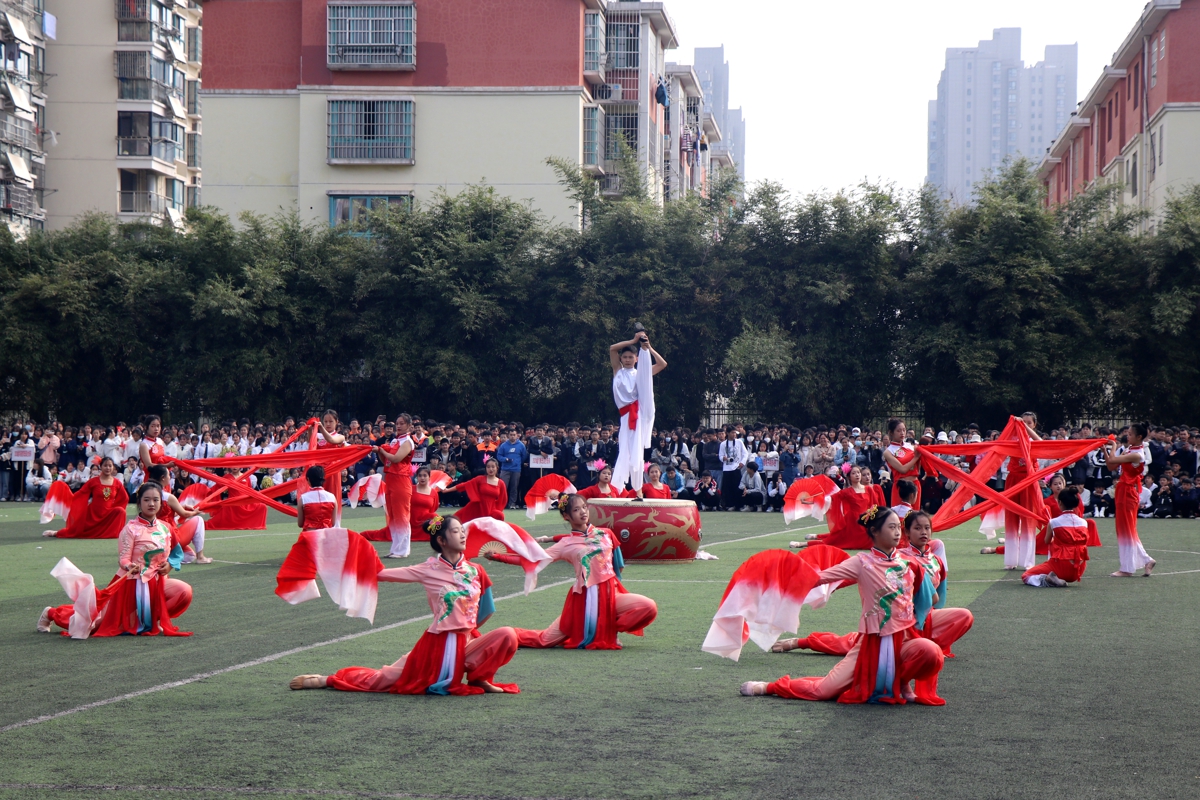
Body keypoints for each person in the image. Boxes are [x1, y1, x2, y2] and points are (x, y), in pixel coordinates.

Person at [288, 515, 520, 695]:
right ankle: (326, 679)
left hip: (466, 641)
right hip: (437, 646)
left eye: (463, 531)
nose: (462, 535)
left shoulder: (475, 570)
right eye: (456, 531)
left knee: (508, 635)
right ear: (441, 540)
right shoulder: (428, 569)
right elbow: (380, 574)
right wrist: (340, 552)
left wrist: (468, 631)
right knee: (384, 680)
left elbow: (487, 608)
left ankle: (480, 678)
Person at [739, 506, 947, 705]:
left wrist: (914, 617)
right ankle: (770, 687)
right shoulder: (862, 562)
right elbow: (820, 578)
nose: (896, 533)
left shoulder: (908, 562)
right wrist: (775, 578)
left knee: (932, 653)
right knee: (824, 691)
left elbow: (931, 599)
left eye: (897, 527)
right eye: (891, 527)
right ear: (874, 531)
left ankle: (901, 683)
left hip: (904, 640)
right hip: (872, 644)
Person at [774, 510, 973, 667]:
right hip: (895, 618)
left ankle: (929, 647)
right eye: (917, 528)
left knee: (964, 616)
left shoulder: (936, 560)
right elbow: (864, 574)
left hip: (924, 617)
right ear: (907, 533)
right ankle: (804, 642)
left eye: (927, 528)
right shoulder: (900, 558)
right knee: (850, 644)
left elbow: (940, 596)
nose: (923, 532)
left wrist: (926, 614)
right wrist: (829, 587)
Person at [488, 494, 656, 650]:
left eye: (584, 507)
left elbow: (616, 563)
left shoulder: (606, 533)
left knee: (648, 607)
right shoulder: (565, 544)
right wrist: (498, 557)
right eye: (576, 510)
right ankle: (503, 635)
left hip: (611, 594)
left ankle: (608, 630)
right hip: (584, 601)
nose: (583, 512)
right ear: (566, 516)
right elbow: (533, 560)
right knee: (545, 640)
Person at [38, 481, 193, 638]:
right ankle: (51, 613)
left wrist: (169, 566)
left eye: (155, 499)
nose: (151, 504)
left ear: (161, 502)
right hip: (130, 584)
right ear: (139, 503)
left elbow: (176, 553)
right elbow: (124, 558)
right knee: (94, 624)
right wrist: (129, 566)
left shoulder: (166, 528)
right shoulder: (131, 529)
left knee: (183, 592)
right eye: (146, 500)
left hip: (158, 583)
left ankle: (151, 622)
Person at [608, 329, 667, 493]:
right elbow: (612, 348)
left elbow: (662, 364)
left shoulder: (642, 374)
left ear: (637, 359)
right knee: (625, 450)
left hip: (639, 416)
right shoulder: (617, 371)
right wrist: (633, 341)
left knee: (637, 452)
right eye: (625, 357)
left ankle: (638, 489)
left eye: (630, 357)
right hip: (625, 417)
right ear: (621, 359)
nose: (627, 360)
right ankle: (617, 488)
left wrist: (648, 347)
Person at [1104, 425, 1156, 577]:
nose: (1128, 436)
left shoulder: (1137, 454)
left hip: (1128, 491)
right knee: (1125, 529)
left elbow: (1113, 459)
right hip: (1123, 490)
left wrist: (1113, 445)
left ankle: (1127, 568)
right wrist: (1104, 449)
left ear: (1139, 437)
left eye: (1131, 434)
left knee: (1126, 530)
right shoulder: (1129, 450)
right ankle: (1146, 559)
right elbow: (1110, 465)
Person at [797, 465, 886, 550]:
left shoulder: (869, 489)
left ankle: (815, 536)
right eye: (854, 473)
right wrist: (809, 500)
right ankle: (802, 544)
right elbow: (829, 499)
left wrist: (871, 518)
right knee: (831, 541)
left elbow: (875, 506)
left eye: (858, 472)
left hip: (866, 522)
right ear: (849, 477)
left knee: (874, 541)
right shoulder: (846, 492)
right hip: (852, 522)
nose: (857, 475)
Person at [43, 457, 129, 539]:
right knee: (75, 531)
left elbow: (124, 498)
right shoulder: (93, 481)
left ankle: (111, 533)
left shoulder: (117, 483)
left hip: (108, 514)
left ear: (113, 467)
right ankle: (56, 533)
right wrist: (66, 493)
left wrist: (113, 508)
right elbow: (80, 494)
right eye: (105, 465)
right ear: (100, 467)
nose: (108, 468)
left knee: (121, 511)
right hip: (92, 515)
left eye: (110, 466)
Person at [998, 412, 1043, 571]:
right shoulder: (1012, 440)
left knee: (1028, 518)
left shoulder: (1033, 441)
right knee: (1011, 518)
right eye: (1023, 422)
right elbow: (998, 445)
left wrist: (1024, 427)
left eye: (1029, 423)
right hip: (1013, 480)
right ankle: (1011, 560)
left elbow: (1041, 442)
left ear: (1034, 425)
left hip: (1029, 480)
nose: (1025, 425)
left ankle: (1027, 562)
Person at [1022, 488, 1090, 588]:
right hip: (1079, 568)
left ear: (1060, 502)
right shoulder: (1084, 522)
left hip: (1061, 565)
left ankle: (1046, 579)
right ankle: (1053, 578)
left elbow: (1047, 541)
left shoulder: (1054, 522)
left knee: (1026, 575)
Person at [373, 414, 416, 558]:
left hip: (401, 480)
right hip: (390, 479)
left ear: (409, 425)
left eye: (402, 423)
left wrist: (381, 450)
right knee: (392, 515)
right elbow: (385, 460)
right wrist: (381, 452)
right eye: (397, 423)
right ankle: (396, 548)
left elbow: (396, 458)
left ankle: (403, 549)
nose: (399, 426)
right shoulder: (395, 441)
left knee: (401, 515)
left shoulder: (408, 441)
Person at [444, 457, 507, 523]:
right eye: (488, 467)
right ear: (485, 468)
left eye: (493, 467)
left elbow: (503, 499)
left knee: (500, 515)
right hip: (478, 507)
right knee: (455, 520)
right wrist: (447, 490)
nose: (490, 469)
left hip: (492, 508)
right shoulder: (480, 479)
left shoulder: (501, 483)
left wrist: (498, 509)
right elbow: (464, 485)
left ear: (497, 468)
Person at [314, 409, 347, 526]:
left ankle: (335, 526)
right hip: (318, 473)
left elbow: (331, 440)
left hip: (333, 471)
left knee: (332, 498)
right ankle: (320, 525)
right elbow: (310, 443)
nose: (328, 424)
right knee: (319, 499)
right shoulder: (317, 436)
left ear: (336, 422)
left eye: (330, 421)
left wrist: (320, 428)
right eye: (325, 421)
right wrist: (310, 429)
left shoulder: (340, 436)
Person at [882, 419, 921, 510]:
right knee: (900, 518)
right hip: (901, 486)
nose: (902, 433)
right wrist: (915, 457)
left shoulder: (911, 446)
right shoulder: (888, 452)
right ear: (891, 432)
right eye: (898, 431)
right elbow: (902, 469)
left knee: (915, 517)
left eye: (904, 430)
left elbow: (917, 467)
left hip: (915, 484)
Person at [296, 465, 338, 533]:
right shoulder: (332, 497)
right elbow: (333, 523)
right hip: (327, 535)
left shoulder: (303, 499)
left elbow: (300, 524)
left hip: (309, 536)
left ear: (308, 479)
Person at [495, 428, 526, 509]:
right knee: (503, 487)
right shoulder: (503, 445)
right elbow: (499, 456)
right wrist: (505, 459)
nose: (512, 436)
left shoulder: (521, 445)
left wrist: (517, 463)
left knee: (514, 487)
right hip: (505, 469)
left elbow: (524, 456)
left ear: (517, 435)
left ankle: (512, 503)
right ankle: (502, 503)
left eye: (514, 435)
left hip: (516, 470)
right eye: (511, 435)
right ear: (508, 435)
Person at [719, 427, 749, 510]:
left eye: (735, 433)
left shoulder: (739, 442)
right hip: (727, 468)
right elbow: (720, 455)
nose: (734, 434)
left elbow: (745, 453)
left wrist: (742, 462)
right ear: (727, 433)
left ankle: (739, 505)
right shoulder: (723, 444)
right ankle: (730, 505)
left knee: (737, 487)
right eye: (732, 432)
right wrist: (723, 458)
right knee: (728, 488)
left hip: (736, 467)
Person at [408, 465, 441, 540]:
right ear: (417, 477)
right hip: (410, 520)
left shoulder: (434, 492)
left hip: (425, 522)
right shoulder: (410, 488)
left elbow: (434, 508)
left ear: (429, 477)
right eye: (420, 476)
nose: (422, 478)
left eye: (425, 475)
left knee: (435, 516)